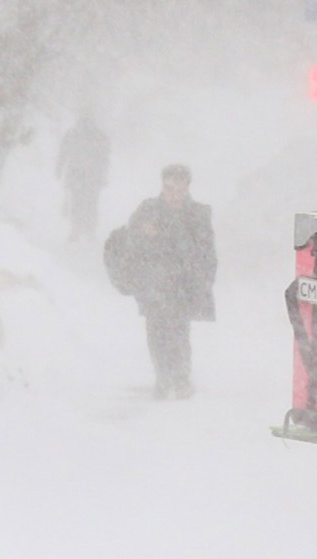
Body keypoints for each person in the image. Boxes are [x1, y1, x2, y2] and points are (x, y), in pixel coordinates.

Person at [124, 164, 216, 400]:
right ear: (162, 186)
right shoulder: (148, 210)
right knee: (155, 332)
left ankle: (181, 377)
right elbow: (130, 241)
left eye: (178, 189)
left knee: (179, 332)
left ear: (187, 187)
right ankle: (162, 377)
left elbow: (207, 253)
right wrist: (144, 235)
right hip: (154, 284)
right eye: (169, 188)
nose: (173, 194)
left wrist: (203, 282)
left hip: (183, 286)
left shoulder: (197, 214)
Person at [56, 115, 111, 241]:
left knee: (79, 204)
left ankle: (79, 231)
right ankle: (85, 231)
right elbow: (105, 158)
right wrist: (103, 174)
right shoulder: (97, 135)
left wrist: (59, 168)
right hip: (89, 177)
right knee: (88, 204)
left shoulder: (74, 134)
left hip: (81, 176)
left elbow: (63, 153)